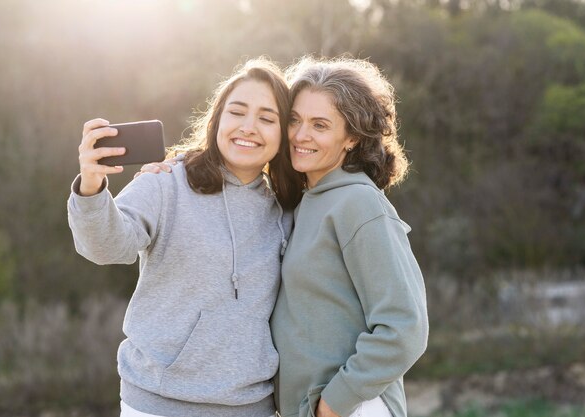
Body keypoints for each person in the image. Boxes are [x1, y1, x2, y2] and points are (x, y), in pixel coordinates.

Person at [67, 58, 303, 417]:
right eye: (237, 112)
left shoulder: (287, 208)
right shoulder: (166, 182)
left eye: (267, 118)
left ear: (283, 134)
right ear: (218, 120)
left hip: (250, 407)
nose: (249, 127)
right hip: (156, 403)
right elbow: (105, 248)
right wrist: (91, 184)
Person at [270, 57, 428, 417]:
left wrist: (333, 403)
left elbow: (405, 326)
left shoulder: (358, 203)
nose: (300, 135)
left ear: (352, 138)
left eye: (320, 125)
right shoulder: (304, 202)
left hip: (354, 408)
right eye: (294, 120)